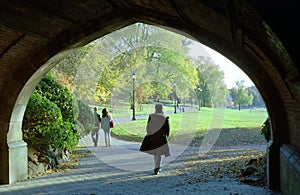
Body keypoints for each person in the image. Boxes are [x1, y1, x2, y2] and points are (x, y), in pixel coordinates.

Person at [140, 103, 170, 175]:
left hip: (153, 136)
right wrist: (166, 135)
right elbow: (167, 129)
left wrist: (149, 134)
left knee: (155, 153)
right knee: (159, 153)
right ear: (162, 109)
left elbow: (148, 126)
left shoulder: (151, 116)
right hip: (161, 137)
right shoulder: (164, 117)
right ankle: (157, 168)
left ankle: (157, 167)